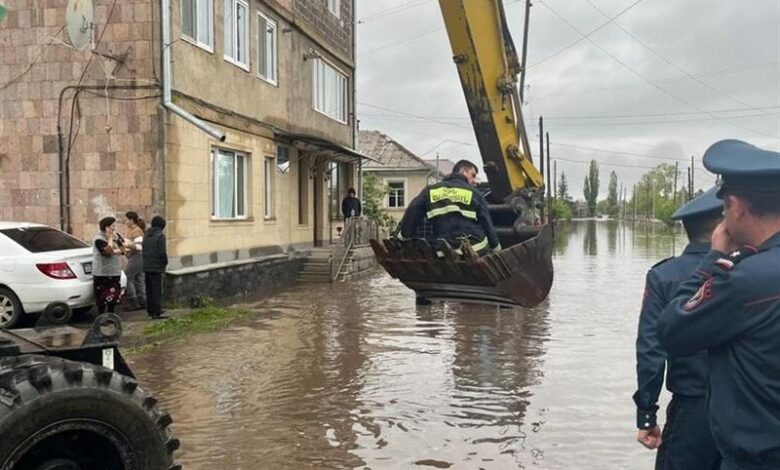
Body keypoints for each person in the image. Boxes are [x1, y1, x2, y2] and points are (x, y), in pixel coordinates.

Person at [658, 140, 780, 470]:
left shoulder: (747, 280)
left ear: (737, 206)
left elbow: (673, 330)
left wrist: (713, 259)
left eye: (724, 209)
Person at [633, 187, 723, 470]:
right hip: (746, 411)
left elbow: (651, 349)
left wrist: (646, 414)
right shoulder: (746, 271)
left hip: (690, 411)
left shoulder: (664, 276)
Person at [397, 159, 500, 255]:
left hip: (443, 250)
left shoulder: (430, 191)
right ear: (463, 171)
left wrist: (403, 236)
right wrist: (496, 247)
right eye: (473, 175)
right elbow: (486, 222)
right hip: (475, 248)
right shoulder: (474, 193)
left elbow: (413, 211)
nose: (474, 181)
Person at [92, 216, 125, 314]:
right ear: (106, 227)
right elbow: (107, 252)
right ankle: (101, 317)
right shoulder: (99, 239)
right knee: (102, 297)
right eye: (112, 226)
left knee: (113, 296)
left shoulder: (116, 236)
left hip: (114, 271)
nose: (114, 228)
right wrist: (110, 238)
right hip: (102, 273)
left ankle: (111, 316)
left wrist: (116, 246)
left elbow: (123, 250)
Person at [143, 216, 169, 320]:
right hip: (156, 266)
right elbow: (162, 252)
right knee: (157, 290)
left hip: (146, 265)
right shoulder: (160, 236)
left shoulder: (146, 234)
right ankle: (157, 312)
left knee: (149, 290)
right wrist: (165, 262)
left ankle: (150, 310)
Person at [122, 212, 146, 311]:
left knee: (128, 277)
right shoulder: (132, 230)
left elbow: (139, 246)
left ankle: (133, 302)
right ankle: (143, 301)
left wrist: (126, 244)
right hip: (136, 257)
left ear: (131, 220)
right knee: (139, 279)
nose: (125, 221)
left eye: (126, 219)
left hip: (136, 256)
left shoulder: (137, 231)